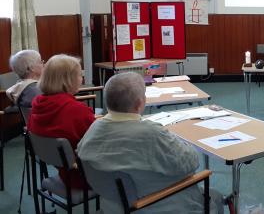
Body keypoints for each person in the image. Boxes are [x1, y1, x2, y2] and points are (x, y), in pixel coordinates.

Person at [77, 72, 224, 214]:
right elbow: (191, 162)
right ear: (140, 103)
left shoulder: (94, 128)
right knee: (216, 197)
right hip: (154, 204)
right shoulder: (151, 134)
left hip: (113, 206)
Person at [27, 54, 95, 189]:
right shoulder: (77, 110)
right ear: (67, 80)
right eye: (79, 75)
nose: (82, 78)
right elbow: (96, 145)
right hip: (84, 176)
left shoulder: (37, 105)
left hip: (63, 171)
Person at [5, 50, 43, 115]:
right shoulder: (34, 90)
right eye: (40, 62)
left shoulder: (22, 85)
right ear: (31, 68)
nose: (43, 64)